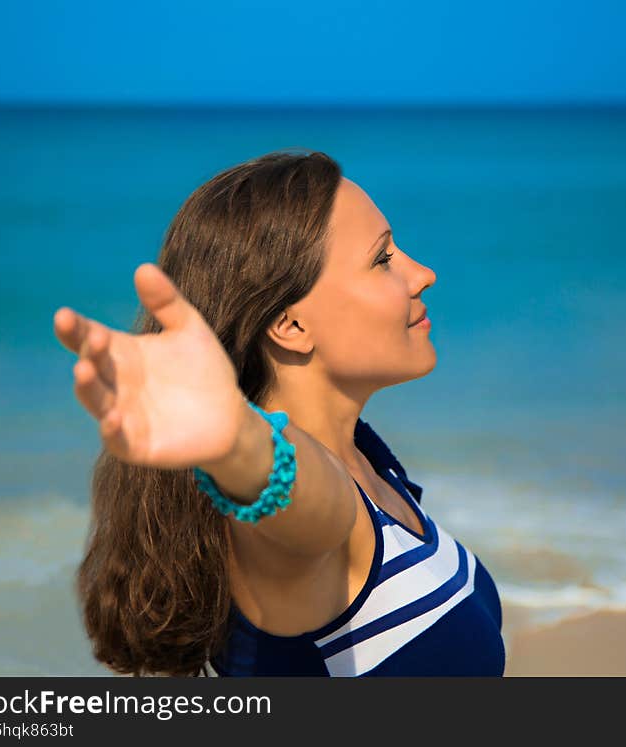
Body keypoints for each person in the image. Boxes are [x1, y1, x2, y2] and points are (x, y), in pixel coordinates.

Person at [52, 149, 506, 677]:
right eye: (382, 259)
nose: (423, 274)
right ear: (290, 325)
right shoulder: (304, 526)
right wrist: (234, 438)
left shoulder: (369, 460)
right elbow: (307, 506)